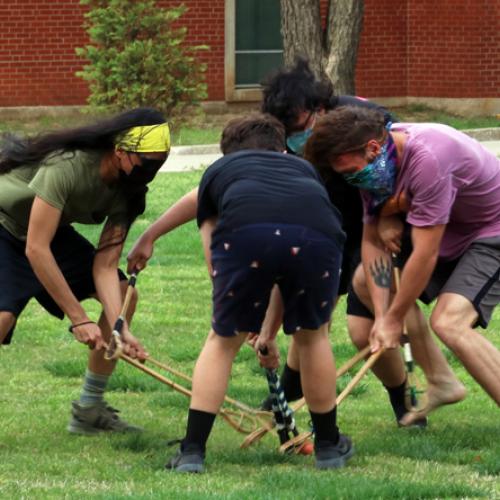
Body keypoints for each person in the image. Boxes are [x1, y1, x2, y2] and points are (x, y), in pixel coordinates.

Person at [131, 114, 354, 472]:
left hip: (246, 237)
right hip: (319, 238)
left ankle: (192, 453)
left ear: (226, 153)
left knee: (221, 342)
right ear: (282, 148)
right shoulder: (303, 170)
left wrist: (236, 313)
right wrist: (267, 330)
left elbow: (213, 253)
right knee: (313, 338)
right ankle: (328, 446)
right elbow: (288, 252)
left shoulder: (220, 172)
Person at [259, 57, 451, 426]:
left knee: (362, 330)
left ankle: (406, 404)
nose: (295, 136)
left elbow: (400, 168)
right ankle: (287, 397)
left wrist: (389, 216)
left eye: (298, 125)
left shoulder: (365, 118)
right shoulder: (284, 139)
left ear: (318, 108)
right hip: (325, 225)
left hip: (374, 228)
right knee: (310, 319)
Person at [305, 105, 500, 422]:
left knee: (449, 322)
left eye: (350, 172)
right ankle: (441, 381)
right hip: (451, 228)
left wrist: (395, 319)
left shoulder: (429, 159)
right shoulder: (379, 164)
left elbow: (425, 254)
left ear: (372, 148)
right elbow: (371, 241)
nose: (351, 180)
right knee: (363, 282)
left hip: (491, 232)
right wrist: (383, 315)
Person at [0, 108, 170, 435]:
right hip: (5, 224)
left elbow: (105, 265)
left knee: (122, 295)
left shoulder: (130, 193)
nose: (152, 171)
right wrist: (79, 317)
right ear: (120, 152)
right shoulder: (68, 166)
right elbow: (36, 248)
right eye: (148, 162)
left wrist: (118, 325)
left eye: (159, 163)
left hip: (48, 232)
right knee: (3, 317)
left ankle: (89, 410)